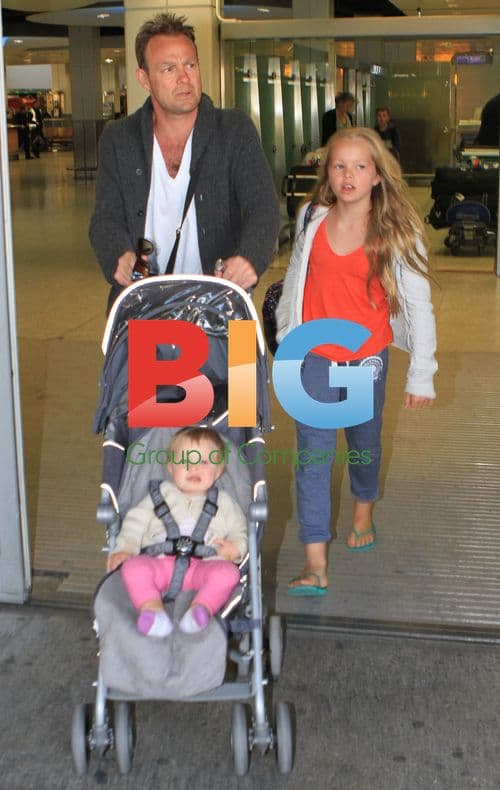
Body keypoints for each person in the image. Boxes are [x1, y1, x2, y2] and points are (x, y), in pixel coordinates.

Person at [275, 127, 437, 596]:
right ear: (327, 172)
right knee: (312, 459)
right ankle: (315, 563)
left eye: (359, 166)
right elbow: (294, 281)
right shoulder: (311, 218)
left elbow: (418, 302)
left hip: (366, 360)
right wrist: (288, 338)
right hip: (315, 358)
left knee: (363, 443)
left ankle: (363, 505)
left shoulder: (396, 231)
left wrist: (422, 373)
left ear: (378, 176)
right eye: (339, 165)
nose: (348, 175)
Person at [89, 12, 280, 312]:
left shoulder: (233, 129)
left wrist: (250, 258)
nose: (184, 77)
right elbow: (105, 219)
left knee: (243, 361)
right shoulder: (118, 139)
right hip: (145, 307)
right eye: (168, 68)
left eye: (190, 64)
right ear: (144, 78)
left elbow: (264, 208)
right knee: (136, 362)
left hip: (227, 302)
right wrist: (119, 256)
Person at [107, 427, 247, 637]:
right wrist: (126, 548)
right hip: (159, 564)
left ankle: (201, 610)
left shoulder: (225, 503)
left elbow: (240, 530)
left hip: (204, 567)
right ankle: (152, 610)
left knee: (229, 573)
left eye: (204, 463)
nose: (194, 468)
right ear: (171, 468)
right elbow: (134, 524)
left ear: (218, 471)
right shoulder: (158, 495)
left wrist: (236, 547)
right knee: (133, 567)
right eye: (185, 462)